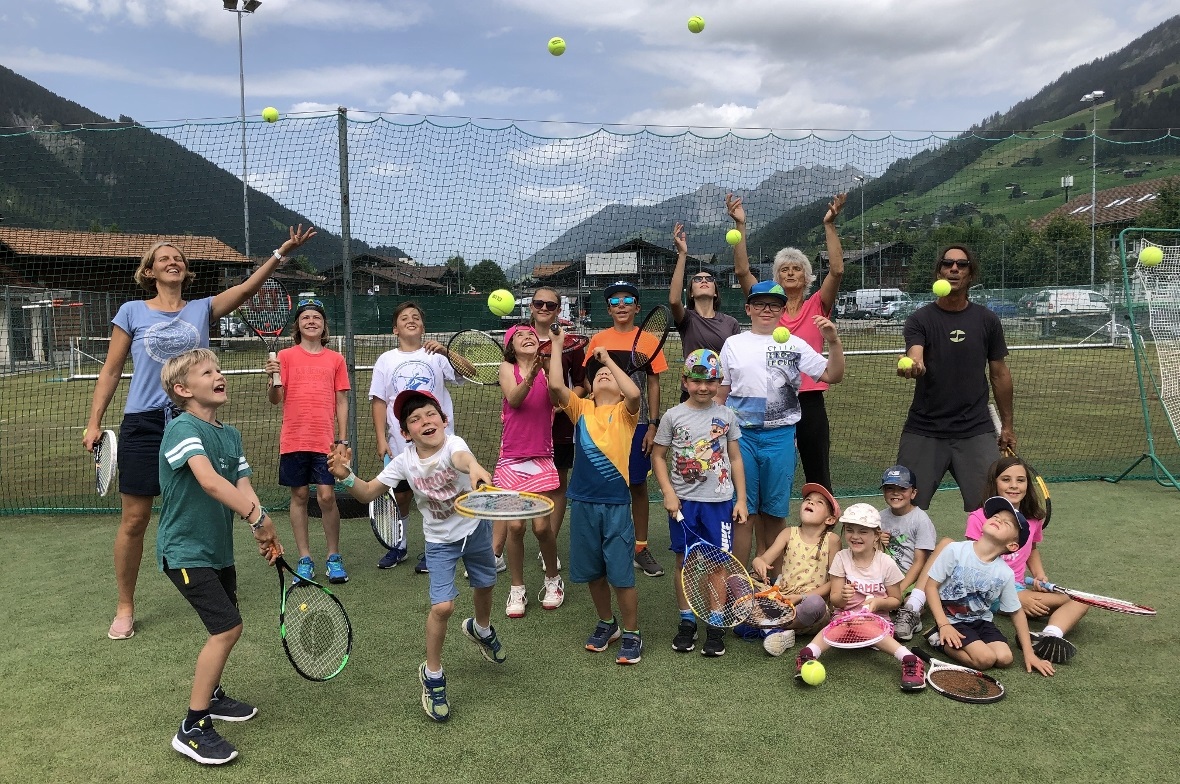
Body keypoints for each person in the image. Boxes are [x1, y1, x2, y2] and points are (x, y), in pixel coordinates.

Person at [83, 225, 316, 640]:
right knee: (135, 519)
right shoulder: (132, 311)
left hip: (194, 422)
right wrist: (94, 420)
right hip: (145, 423)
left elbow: (246, 290)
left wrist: (281, 253)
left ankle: (212, 588)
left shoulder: (202, 309)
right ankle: (125, 605)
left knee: (209, 507)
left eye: (179, 258)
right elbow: (112, 370)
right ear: (150, 271)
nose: (173, 261)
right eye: (164, 258)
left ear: (185, 271)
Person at [328, 390, 505, 722]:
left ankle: (481, 629)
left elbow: (463, 459)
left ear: (444, 420)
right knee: (443, 607)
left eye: (430, 414)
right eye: (415, 419)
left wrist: (476, 467)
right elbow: (367, 492)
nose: (425, 421)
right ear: (406, 433)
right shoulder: (404, 462)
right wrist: (346, 476)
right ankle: (433, 675)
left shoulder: (454, 444)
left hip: (475, 529)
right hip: (439, 542)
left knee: (485, 584)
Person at [157, 349, 283, 765]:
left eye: (219, 369)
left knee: (227, 624)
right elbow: (209, 481)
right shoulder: (182, 428)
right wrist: (257, 518)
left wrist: (263, 528)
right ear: (182, 389)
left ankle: (211, 696)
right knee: (227, 628)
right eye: (207, 372)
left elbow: (242, 487)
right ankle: (192, 727)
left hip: (218, 552)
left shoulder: (230, 435)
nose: (219, 375)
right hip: (184, 552)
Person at [899, 455, 1086, 662]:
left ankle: (1047, 635)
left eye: (1020, 480)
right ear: (994, 483)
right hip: (988, 589)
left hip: (1013, 585)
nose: (1013, 485)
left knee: (1080, 601)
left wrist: (1039, 575)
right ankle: (915, 606)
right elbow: (975, 564)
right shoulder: (981, 517)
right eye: (1006, 479)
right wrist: (1018, 599)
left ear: (1028, 484)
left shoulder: (1034, 519)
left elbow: (1032, 549)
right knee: (948, 544)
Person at [716, 281, 844, 571]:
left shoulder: (794, 344)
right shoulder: (734, 344)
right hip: (741, 439)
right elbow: (721, 395)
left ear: (782, 310)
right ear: (748, 309)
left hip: (781, 438)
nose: (767, 309)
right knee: (743, 512)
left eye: (774, 304)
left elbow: (833, 375)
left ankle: (771, 584)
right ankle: (738, 581)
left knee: (774, 513)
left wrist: (833, 341)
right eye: (759, 303)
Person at [731, 193, 846, 491]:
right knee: (764, 476)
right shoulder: (768, 309)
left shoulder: (817, 305)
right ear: (776, 279)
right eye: (784, 269)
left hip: (809, 400)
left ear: (807, 277)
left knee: (818, 474)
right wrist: (740, 226)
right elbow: (742, 271)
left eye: (796, 269)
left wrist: (829, 225)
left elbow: (837, 270)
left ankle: (823, 520)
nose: (791, 272)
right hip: (768, 400)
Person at [549, 329, 646, 664]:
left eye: (611, 375)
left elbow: (635, 393)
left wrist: (607, 360)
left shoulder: (625, 413)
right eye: (598, 374)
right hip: (583, 505)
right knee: (593, 572)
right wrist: (558, 345)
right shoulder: (582, 409)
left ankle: (632, 632)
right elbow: (556, 386)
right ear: (589, 388)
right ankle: (608, 622)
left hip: (616, 506)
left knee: (621, 576)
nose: (604, 373)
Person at [896, 244, 1014, 511]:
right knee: (904, 508)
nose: (954, 269)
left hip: (975, 429)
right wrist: (914, 365)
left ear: (970, 274)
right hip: (924, 429)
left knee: (992, 510)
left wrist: (1007, 426)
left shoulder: (987, 320)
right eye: (947, 264)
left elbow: (1000, 374)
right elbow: (916, 353)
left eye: (962, 265)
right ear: (939, 272)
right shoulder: (919, 319)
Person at [651, 349, 747, 657]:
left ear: (719, 382)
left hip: (719, 504)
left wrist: (741, 499)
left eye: (710, 381)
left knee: (718, 564)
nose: (703, 387)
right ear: (685, 381)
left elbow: (735, 458)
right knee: (685, 562)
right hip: (684, 505)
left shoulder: (727, 416)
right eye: (696, 381)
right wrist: (668, 492)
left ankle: (715, 623)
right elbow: (658, 456)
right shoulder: (673, 416)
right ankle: (687, 621)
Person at [368, 301, 471, 575]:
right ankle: (398, 545)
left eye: (416, 317)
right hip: (401, 446)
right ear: (395, 329)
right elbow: (379, 401)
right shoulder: (386, 360)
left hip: (438, 446)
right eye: (404, 318)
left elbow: (470, 372)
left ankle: (435, 548)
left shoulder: (436, 355)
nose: (411, 320)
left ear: (423, 326)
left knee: (438, 496)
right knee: (401, 496)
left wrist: (447, 351)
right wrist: (381, 439)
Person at [263, 298, 350, 584]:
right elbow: (275, 399)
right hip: (293, 440)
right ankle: (305, 560)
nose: (311, 321)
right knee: (299, 496)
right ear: (297, 326)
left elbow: (341, 401)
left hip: (325, 442)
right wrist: (273, 376)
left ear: (324, 326)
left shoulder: (335, 359)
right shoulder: (285, 357)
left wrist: (342, 439)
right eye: (305, 317)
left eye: (317, 317)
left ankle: (334, 557)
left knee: (326, 497)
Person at [793, 504, 926, 692]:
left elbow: (896, 600)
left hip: (876, 622)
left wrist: (878, 603)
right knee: (835, 626)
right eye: (850, 530)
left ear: (876, 535)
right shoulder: (841, 558)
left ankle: (910, 659)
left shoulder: (886, 563)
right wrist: (843, 597)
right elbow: (835, 600)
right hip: (845, 619)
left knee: (864, 625)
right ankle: (807, 654)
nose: (855, 536)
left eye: (863, 531)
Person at [584, 280, 668, 578]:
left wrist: (653, 424)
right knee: (605, 484)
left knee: (638, 485)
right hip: (603, 427)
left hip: (639, 424)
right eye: (615, 301)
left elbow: (654, 384)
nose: (621, 305)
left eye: (628, 300)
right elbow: (588, 379)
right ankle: (606, 546)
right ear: (608, 309)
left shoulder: (648, 341)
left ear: (637, 307)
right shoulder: (598, 340)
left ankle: (640, 548)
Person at [923, 496, 1055, 676]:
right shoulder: (955, 550)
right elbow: (931, 587)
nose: (998, 519)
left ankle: (966, 641)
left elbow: (1016, 612)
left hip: (981, 621)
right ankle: (938, 639)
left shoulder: (1005, 573)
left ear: (1012, 545)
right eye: (996, 516)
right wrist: (943, 624)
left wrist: (1029, 653)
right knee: (985, 659)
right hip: (952, 620)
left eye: (1007, 523)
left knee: (1005, 658)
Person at [496, 323, 564, 617]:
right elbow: (514, 399)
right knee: (515, 526)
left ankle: (553, 579)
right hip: (511, 459)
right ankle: (517, 588)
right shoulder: (506, 368)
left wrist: (552, 357)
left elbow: (557, 399)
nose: (527, 337)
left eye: (531, 335)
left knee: (541, 528)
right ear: (511, 347)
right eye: (519, 335)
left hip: (542, 457)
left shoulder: (548, 369)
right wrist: (532, 376)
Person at [529, 286, 587, 572]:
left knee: (557, 484)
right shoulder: (519, 337)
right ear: (531, 306)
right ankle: (499, 549)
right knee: (524, 483)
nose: (544, 308)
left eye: (550, 305)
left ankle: (547, 546)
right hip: (526, 425)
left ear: (558, 310)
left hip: (561, 425)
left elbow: (583, 385)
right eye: (539, 303)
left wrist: (562, 405)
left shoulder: (570, 342)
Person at [749, 483, 842, 655]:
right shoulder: (788, 533)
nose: (811, 502)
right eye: (808, 499)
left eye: (819, 502)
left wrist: (801, 597)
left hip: (808, 607)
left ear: (830, 519)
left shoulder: (832, 540)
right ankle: (776, 630)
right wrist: (758, 563)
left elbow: (834, 582)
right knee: (740, 582)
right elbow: (762, 559)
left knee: (815, 604)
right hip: (781, 599)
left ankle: (767, 626)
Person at [669, 223, 740, 402]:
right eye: (697, 279)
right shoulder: (687, 319)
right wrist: (682, 254)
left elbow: (736, 361)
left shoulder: (730, 322)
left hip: (721, 395)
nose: (703, 281)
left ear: (715, 291)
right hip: (691, 394)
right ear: (691, 293)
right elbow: (674, 300)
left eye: (709, 279)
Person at [875, 464, 937, 641]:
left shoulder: (920, 520)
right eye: (890, 488)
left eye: (902, 488)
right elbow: (871, 555)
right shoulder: (879, 517)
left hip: (912, 577)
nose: (896, 493)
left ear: (913, 493)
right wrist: (877, 542)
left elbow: (920, 562)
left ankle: (912, 615)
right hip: (886, 574)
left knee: (912, 598)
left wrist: (900, 589)